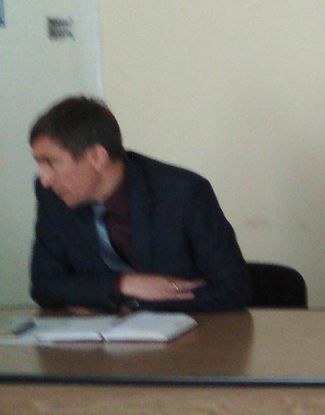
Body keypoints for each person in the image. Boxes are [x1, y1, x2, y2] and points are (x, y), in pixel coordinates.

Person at [28, 95, 250, 313]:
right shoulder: (52, 197)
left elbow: (234, 289)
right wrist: (123, 285)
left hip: (195, 331)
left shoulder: (182, 193)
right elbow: (44, 286)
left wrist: (125, 303)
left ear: (97, 157)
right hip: (99, 336)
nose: (44, 179)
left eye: (51, 163)